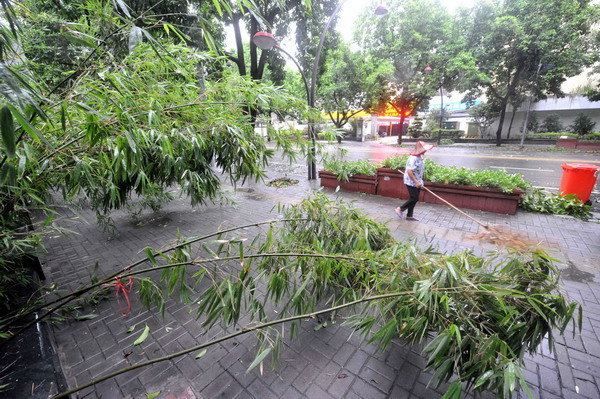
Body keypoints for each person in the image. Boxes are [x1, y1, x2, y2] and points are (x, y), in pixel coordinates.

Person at [395, 141, 434, 221]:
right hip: (411, 180)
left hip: (418, 180)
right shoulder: (413, 158)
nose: (426, 151)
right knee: (414, 198)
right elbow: (409, 171)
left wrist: (419, 181)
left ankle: (409, 215)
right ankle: (400, 209)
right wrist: (415, 181)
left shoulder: (420, 157)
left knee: (414, 198)